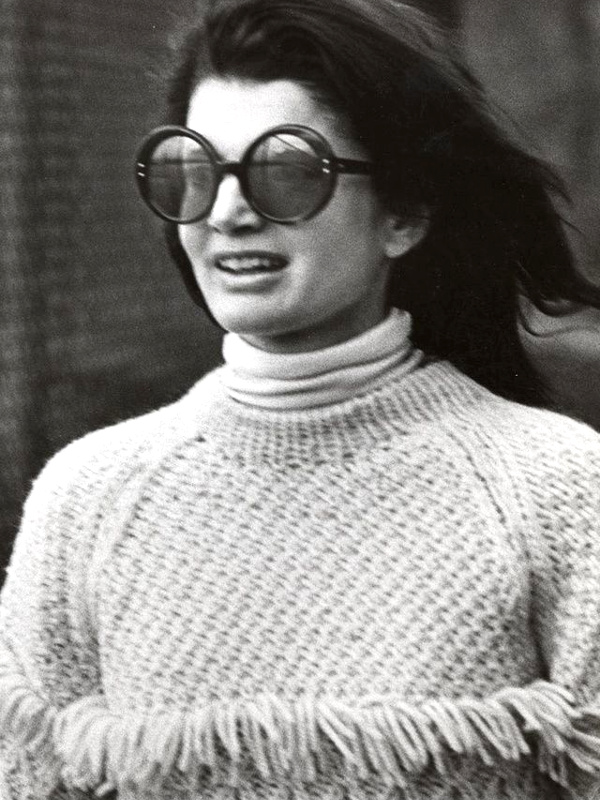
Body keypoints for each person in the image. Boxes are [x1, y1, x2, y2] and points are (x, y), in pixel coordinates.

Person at [1, 0, 600, 798]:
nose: (227, 213)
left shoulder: (557, 491)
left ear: (404, 214)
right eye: (195, 171)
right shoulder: (86, 500)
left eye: (286, 172)